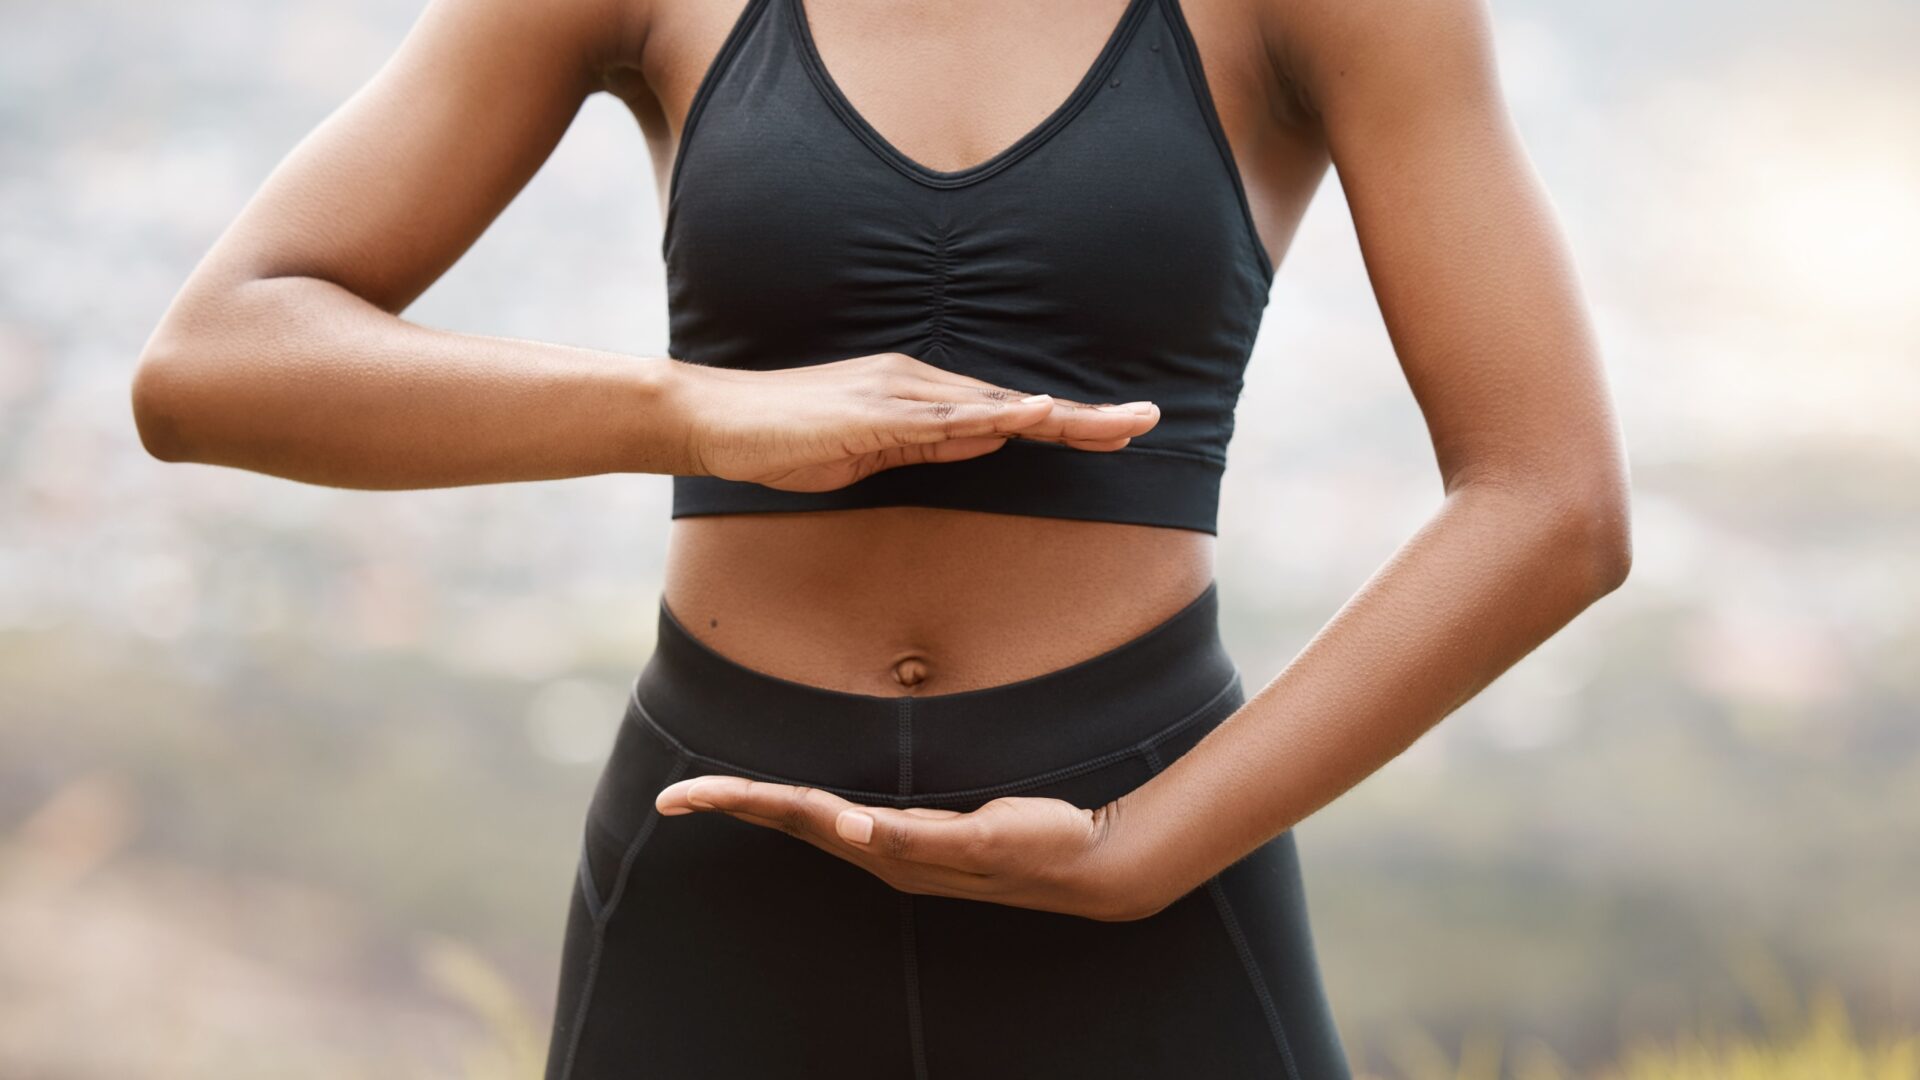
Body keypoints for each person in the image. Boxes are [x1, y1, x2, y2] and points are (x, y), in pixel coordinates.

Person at [129, 0, 1632, 1074]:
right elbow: (211, 367)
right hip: (716, 863)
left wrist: (1136, 849)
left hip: (1149, 875)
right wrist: (693, 412)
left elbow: (1550, 499)